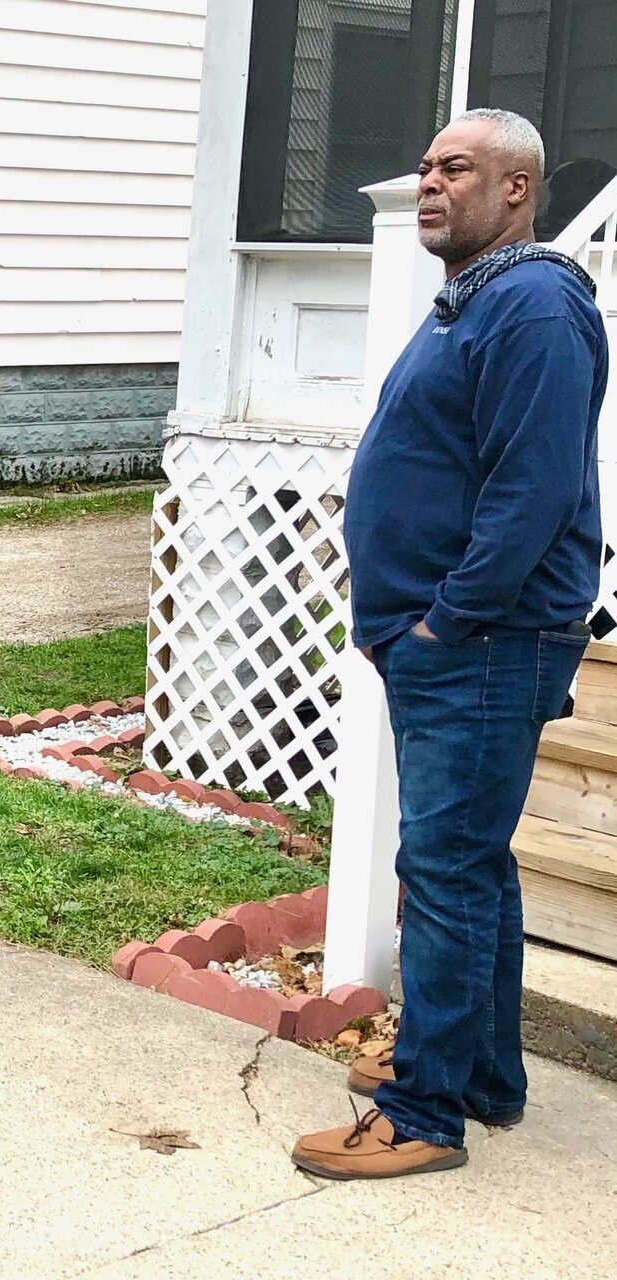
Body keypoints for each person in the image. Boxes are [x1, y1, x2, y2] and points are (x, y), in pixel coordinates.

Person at [293, 109, 608, 1180]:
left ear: (515, 189)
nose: (427, 183)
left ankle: (425, 1112)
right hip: (453, 640)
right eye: (423, 166)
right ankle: (480, 1073)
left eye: (454, 169)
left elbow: (530, 493)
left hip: (482, 641)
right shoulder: (473, 300)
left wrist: (443, 620)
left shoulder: (532, 306)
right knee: (472, 863)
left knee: (441, 870)